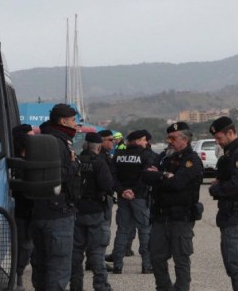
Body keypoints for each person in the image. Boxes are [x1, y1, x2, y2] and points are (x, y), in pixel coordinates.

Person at [142, 122, 203, 291]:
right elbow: (146, 175)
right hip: (161, 217)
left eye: (173, 138)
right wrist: (164, 175)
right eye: (168, 137)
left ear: (185, 139)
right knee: (156, 257)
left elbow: (177, 183)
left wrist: (160, 177)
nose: (169, 141)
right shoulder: (165, 157)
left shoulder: (192, 161)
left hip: (180, 218)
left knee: (181, 259)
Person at [30, 103, 79, 291]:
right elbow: (58, 175)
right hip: (58, 211)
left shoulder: (42, 138)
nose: (76, 125)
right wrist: (74, 165)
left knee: (41, 265)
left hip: (39, 210)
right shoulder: (58, 142)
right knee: (59, 267)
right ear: (63, 121)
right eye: (73, 120)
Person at [209, 116, 238, 291]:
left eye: (219, 138)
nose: (217, 142)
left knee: (237, 266)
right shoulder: (230, 152)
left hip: (237, 213)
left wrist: (216, 190)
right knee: (232, 265)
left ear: (231, 133)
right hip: (229, 214)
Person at [70, 132, 115, 291]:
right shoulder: (100, 163)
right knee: (97, 252)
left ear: (85, 145)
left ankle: (76, 286)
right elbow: (108, 186)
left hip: (77, 211)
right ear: (99, 146)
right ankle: (101, 286)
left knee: (76, 253)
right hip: (95, 211)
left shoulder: (76, 161)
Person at [109, 130, 155, 274]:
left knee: (122, 230)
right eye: (143, 140)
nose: (146, 142)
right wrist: (134, 191)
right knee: (144, 230)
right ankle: (147, 265)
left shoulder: (118, 155)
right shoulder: (145, 155)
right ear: (137, 141)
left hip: (123, 197)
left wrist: (122, 190)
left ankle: (117, 264)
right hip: (139, 197)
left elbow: (113, 177)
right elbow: (145, 176)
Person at [12, 124, 35, 291]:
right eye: (30, 136)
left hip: (31, 211)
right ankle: (16, 275)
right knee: (23, 246)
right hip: (17, 210)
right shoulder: (13, 160)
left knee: (27, 246)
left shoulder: (35, 159)